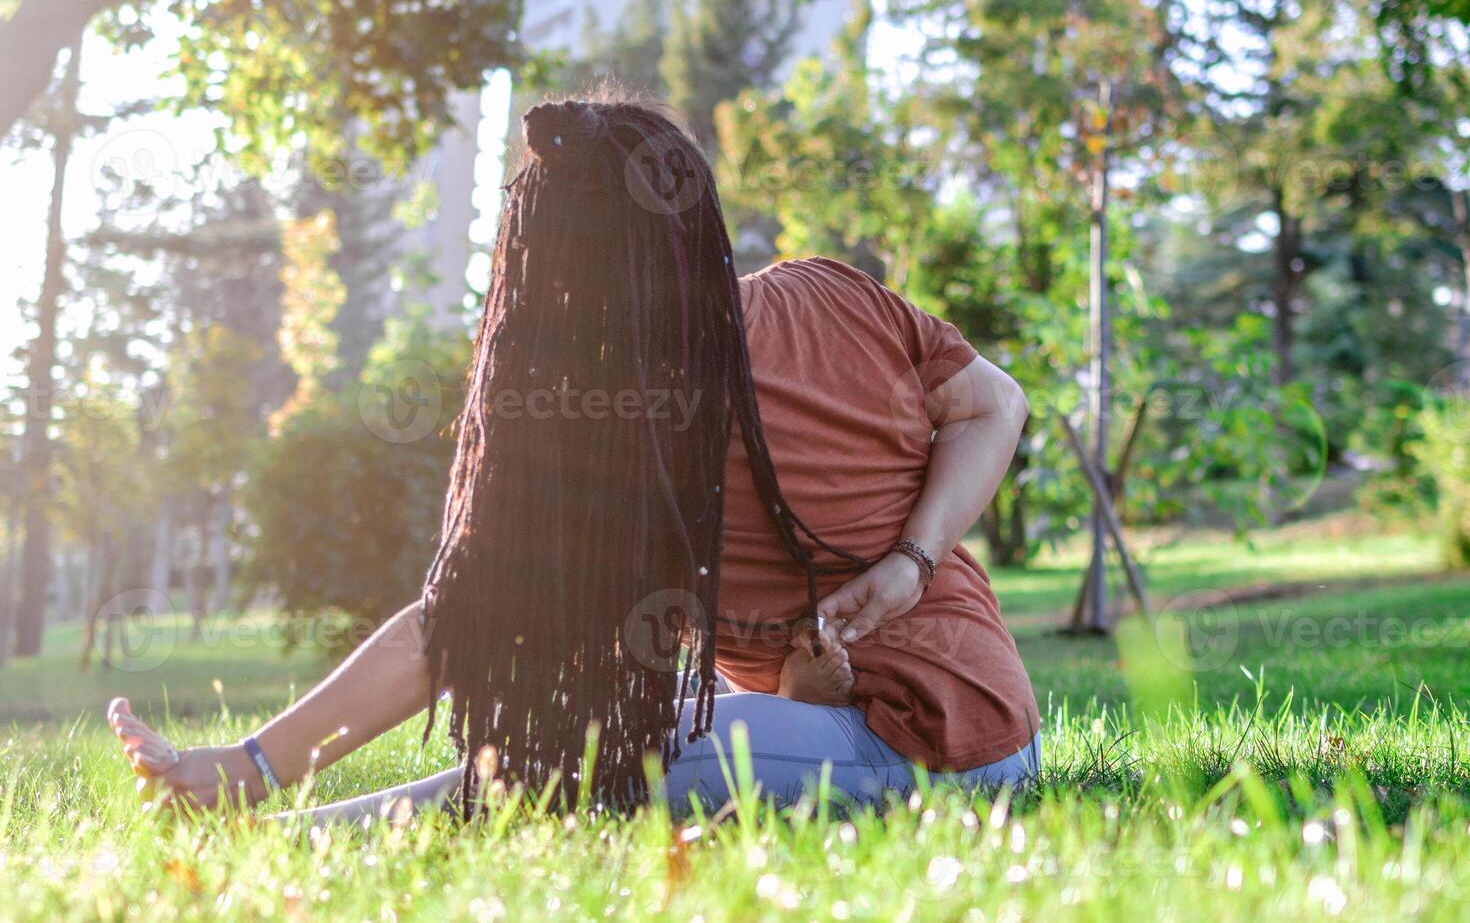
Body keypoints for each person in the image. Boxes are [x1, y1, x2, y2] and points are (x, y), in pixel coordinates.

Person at [108, 94, 1040, 824]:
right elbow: (995, 403)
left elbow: (459, 624)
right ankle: (264, 800)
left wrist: (254, 762)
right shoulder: (828, 291)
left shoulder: (624, 430)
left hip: (926, 749)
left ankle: (303, 831)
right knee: (615, 713)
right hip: (988, 714)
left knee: (588, 756)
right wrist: (916, 561)